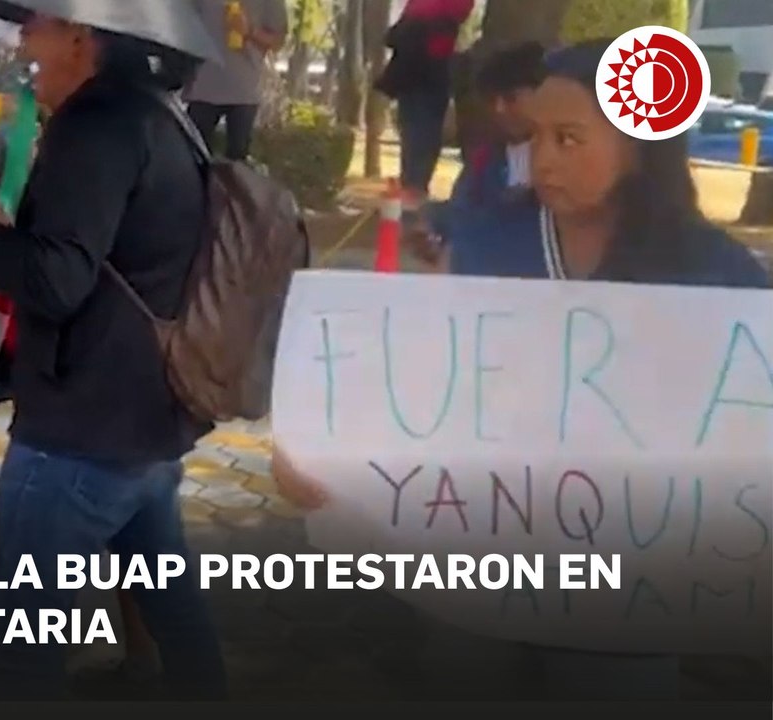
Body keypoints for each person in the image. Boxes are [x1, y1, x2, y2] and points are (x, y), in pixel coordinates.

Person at [277, 39, 770, 701]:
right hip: (480, 569)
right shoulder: (484, 244)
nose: (543, 160)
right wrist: (321, 454)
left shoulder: (717, 277)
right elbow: (421, 385)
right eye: (534, 136)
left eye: (569, 138)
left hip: (630, 596)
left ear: (641, 145)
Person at [0, 14, 225, 700]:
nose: (24, 41)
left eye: (38, 27)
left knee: (20, 647)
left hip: (80, 435)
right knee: (173, 608)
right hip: (145, 420)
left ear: (83, 38)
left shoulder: (95, 126)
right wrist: (3, 230)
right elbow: (105, 252)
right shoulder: (158, 115)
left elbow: (55, 284)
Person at [412, 41, 546, 264]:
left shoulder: (567, 159)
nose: (499, 109)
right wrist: (432, 225)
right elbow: (461, 210)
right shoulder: (485, 160)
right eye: (492, 101)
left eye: (511, 98)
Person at [376, 0, 474, 207]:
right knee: (416, 133)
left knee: (419, 133)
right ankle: (411, 187)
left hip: (425, 73)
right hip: (420, 74)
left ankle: (414, 187)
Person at [184, 0, 287, 161]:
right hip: (203, 86)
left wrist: (250, 31)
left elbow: (278, 41)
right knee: (191, 156)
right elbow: (182, 23)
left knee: (237, 162)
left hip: (244, 91)